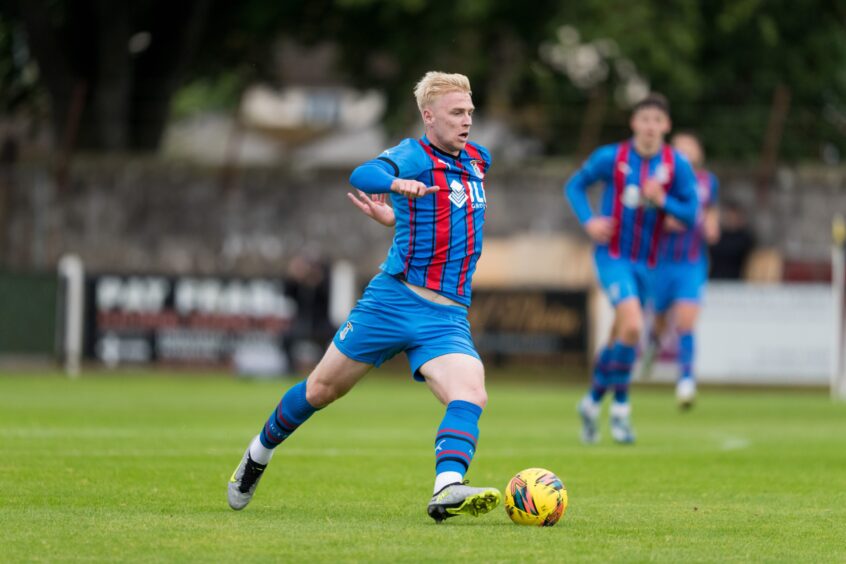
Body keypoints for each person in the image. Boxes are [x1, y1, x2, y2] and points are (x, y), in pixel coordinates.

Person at [227, 71, 501, 523]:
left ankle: (447, 486)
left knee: (471, 391)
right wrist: (395, 187)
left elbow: (446, 215)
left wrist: (398, 219)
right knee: (321, 389)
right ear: (428, 116)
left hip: (446, 315)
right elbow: (364, 173)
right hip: (393, 301)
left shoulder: (478, 159)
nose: (467, 120)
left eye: (469, 111)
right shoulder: (414, 154)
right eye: (457, 113)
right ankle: (257, 454)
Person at [565, 93, 698, 444]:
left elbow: (691, 213)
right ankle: (621, 410)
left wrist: (663, 200)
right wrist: (589, 221)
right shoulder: (613, 157)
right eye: (645, 120)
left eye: (658, 120)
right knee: (635, 325)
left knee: (621, 335)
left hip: (650, 263)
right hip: (613, 256)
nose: (651, 127)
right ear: (634, 124)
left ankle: (592, 403)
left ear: (666, 126)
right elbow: (575, 185)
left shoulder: (676, 165)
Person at [640, 132, 720, 409]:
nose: (686, 154)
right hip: (662, 262)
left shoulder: (708, 182)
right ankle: (652, 344)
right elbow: (649, 217)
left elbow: (709, 212)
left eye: (691, 149)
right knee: (660, 319)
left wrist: (711, 224)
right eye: (680, 150)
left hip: (692, 262)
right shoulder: (661, 183)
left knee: (687, 320)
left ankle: (686, 381)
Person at [708, 200, 755, 280]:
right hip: (715, 279)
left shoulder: (745, 238)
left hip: (736, 280)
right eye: (729, 215)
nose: (731, 218)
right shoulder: (719, 235)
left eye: (734, 215)